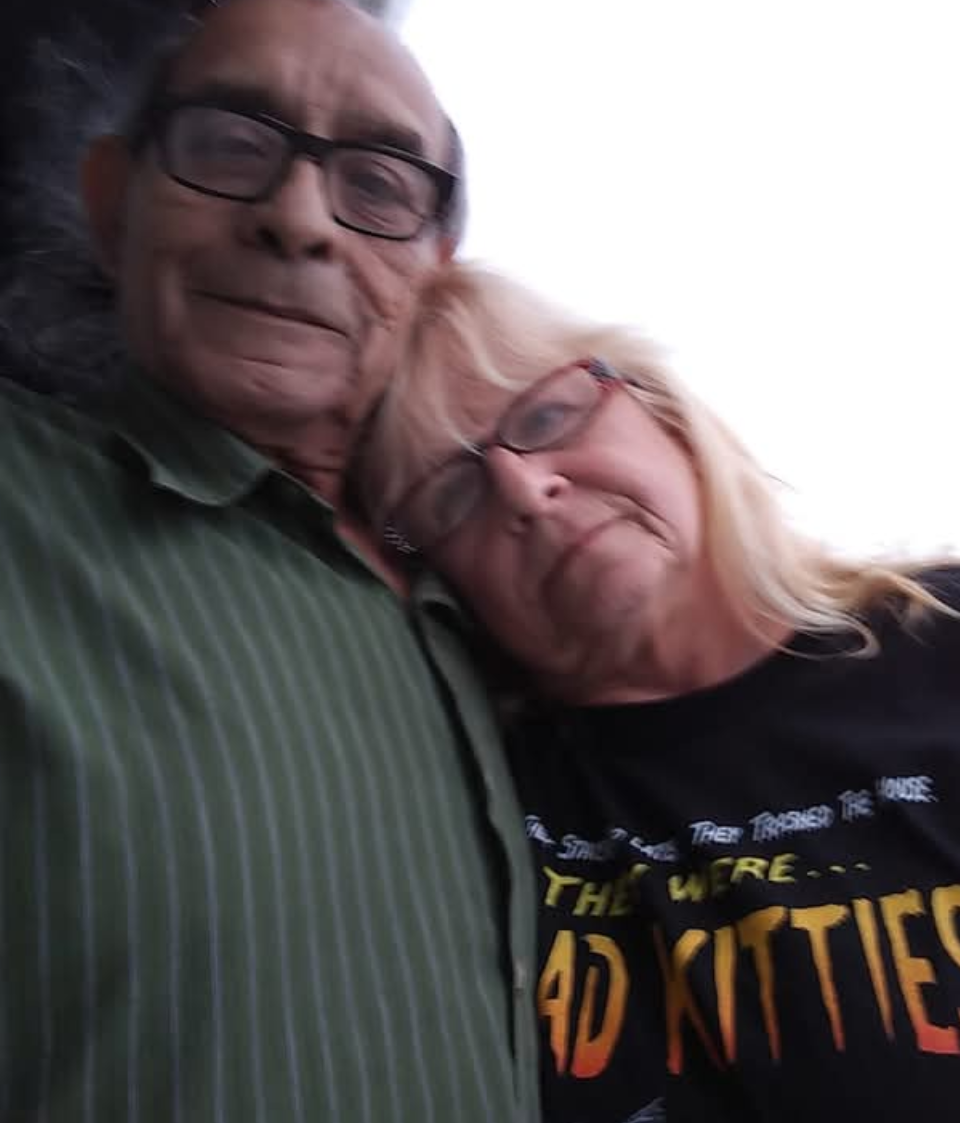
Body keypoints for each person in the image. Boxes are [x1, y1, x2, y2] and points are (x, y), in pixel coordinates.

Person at [0, 4, 541, 1121]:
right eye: (229, 145)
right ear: (112, 204)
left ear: (433, 270)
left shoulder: (486, 604)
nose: (298, 219)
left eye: (378, 184)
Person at [356, 261, 960, 1122]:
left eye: (547, 414)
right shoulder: (472, 797)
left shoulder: (941, 641)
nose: (526, 489)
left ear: (660, 410)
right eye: (452, 492)